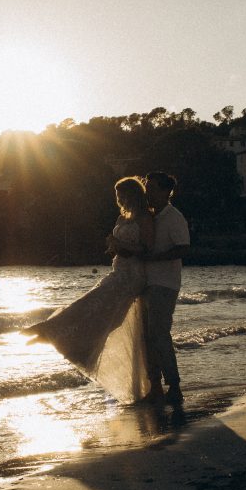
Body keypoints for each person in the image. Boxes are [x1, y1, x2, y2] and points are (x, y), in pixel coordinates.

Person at [22, 177, 154, 402]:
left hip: (133, 276)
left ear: (133, 194)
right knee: (100, 310)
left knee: (102, 310)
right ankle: (58, 334)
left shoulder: (145, 217)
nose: (119, 199)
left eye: (122, 195)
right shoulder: (122, 217)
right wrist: (114, 246)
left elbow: (147, 250)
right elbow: (123, 248)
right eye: (117, 195)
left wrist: (121, 244)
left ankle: (57, 334)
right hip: (118, 270)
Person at [140, 172, 189, 406]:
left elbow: (183, 248)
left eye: (150, 188)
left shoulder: (174, 217)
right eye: (146, 188)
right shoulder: (150, 216)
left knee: (159, 334)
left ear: (165, 191)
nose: (146, 192)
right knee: (148, 337)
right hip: (147, 283)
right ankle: (156, 386)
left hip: (165, 283)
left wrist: (156, 258)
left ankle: (175, 386)